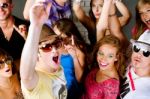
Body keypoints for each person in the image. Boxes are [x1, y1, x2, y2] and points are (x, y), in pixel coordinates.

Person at [20, 2, 67, 99]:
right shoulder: (36, 79)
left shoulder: (57, 68)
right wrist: (35, 25)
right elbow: (26, 77)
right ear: (37, 54)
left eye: (56, 43)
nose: (54, 50)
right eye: (46, 47)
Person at [53, 18, 86, 99]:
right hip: (57, 89)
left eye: (60, 37)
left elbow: (79, 79)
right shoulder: (54, 48)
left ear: (70, 36)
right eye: (54, 36)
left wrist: (74, 56)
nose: (56, 40)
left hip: (72, 91)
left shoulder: (79, 49)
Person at [120, 29, 150, 99]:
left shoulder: (146, 92)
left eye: (146, 52)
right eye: (136, 48)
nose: (138, 55)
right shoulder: (128, 64)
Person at [0, 0, 29, 71]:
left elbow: (39, 53)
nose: (0, 10)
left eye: (4, 5)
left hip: (25, 73)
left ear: (11, 6)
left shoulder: (28, 27)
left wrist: (26, 37)